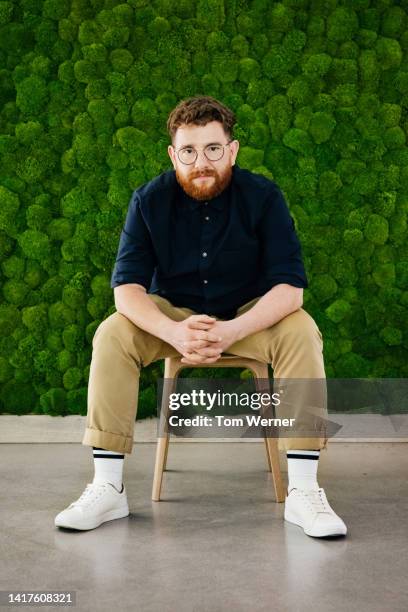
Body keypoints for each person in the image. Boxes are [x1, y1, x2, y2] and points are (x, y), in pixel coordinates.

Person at [55, 96, 347, 538]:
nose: (201, 162)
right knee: (113, 333)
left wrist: (232, 329)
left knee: (302, 331)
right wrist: (172, 329)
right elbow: (127, 290)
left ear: (232, 150)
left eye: (213, 149)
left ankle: (304, 492)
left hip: (249, 318)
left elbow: (290, 289)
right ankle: (107, 487)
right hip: (176, 318)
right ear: (174, 155)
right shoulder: (148, 201)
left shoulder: (264, 197)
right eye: (189, 152)